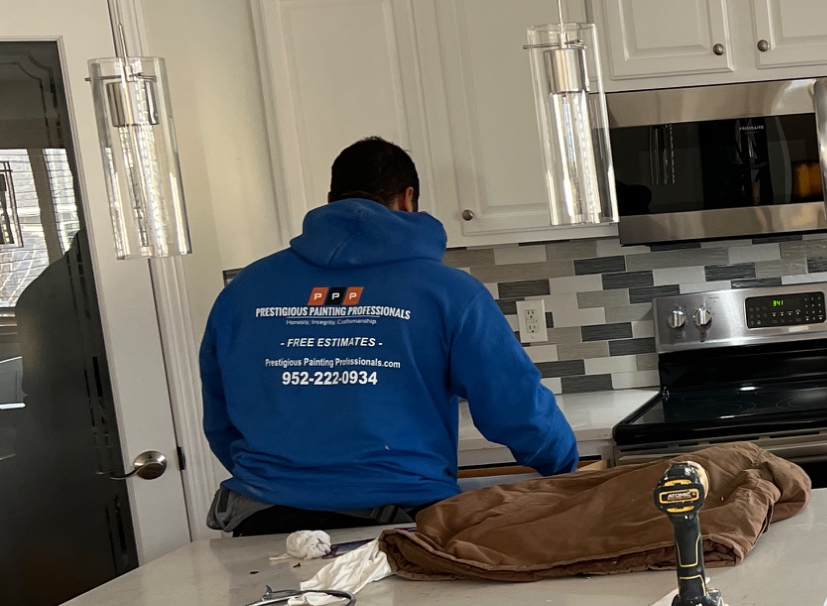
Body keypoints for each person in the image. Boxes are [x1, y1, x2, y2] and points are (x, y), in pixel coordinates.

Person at [199, 137, 576, 536]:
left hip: (265, 518)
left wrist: (284, 481)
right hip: (403, 519)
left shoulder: (244, 291)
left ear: (329, 199)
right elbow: (516, 405)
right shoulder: (449, 292)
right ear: (408, 197)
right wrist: (566, 469)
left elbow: (220, 420)